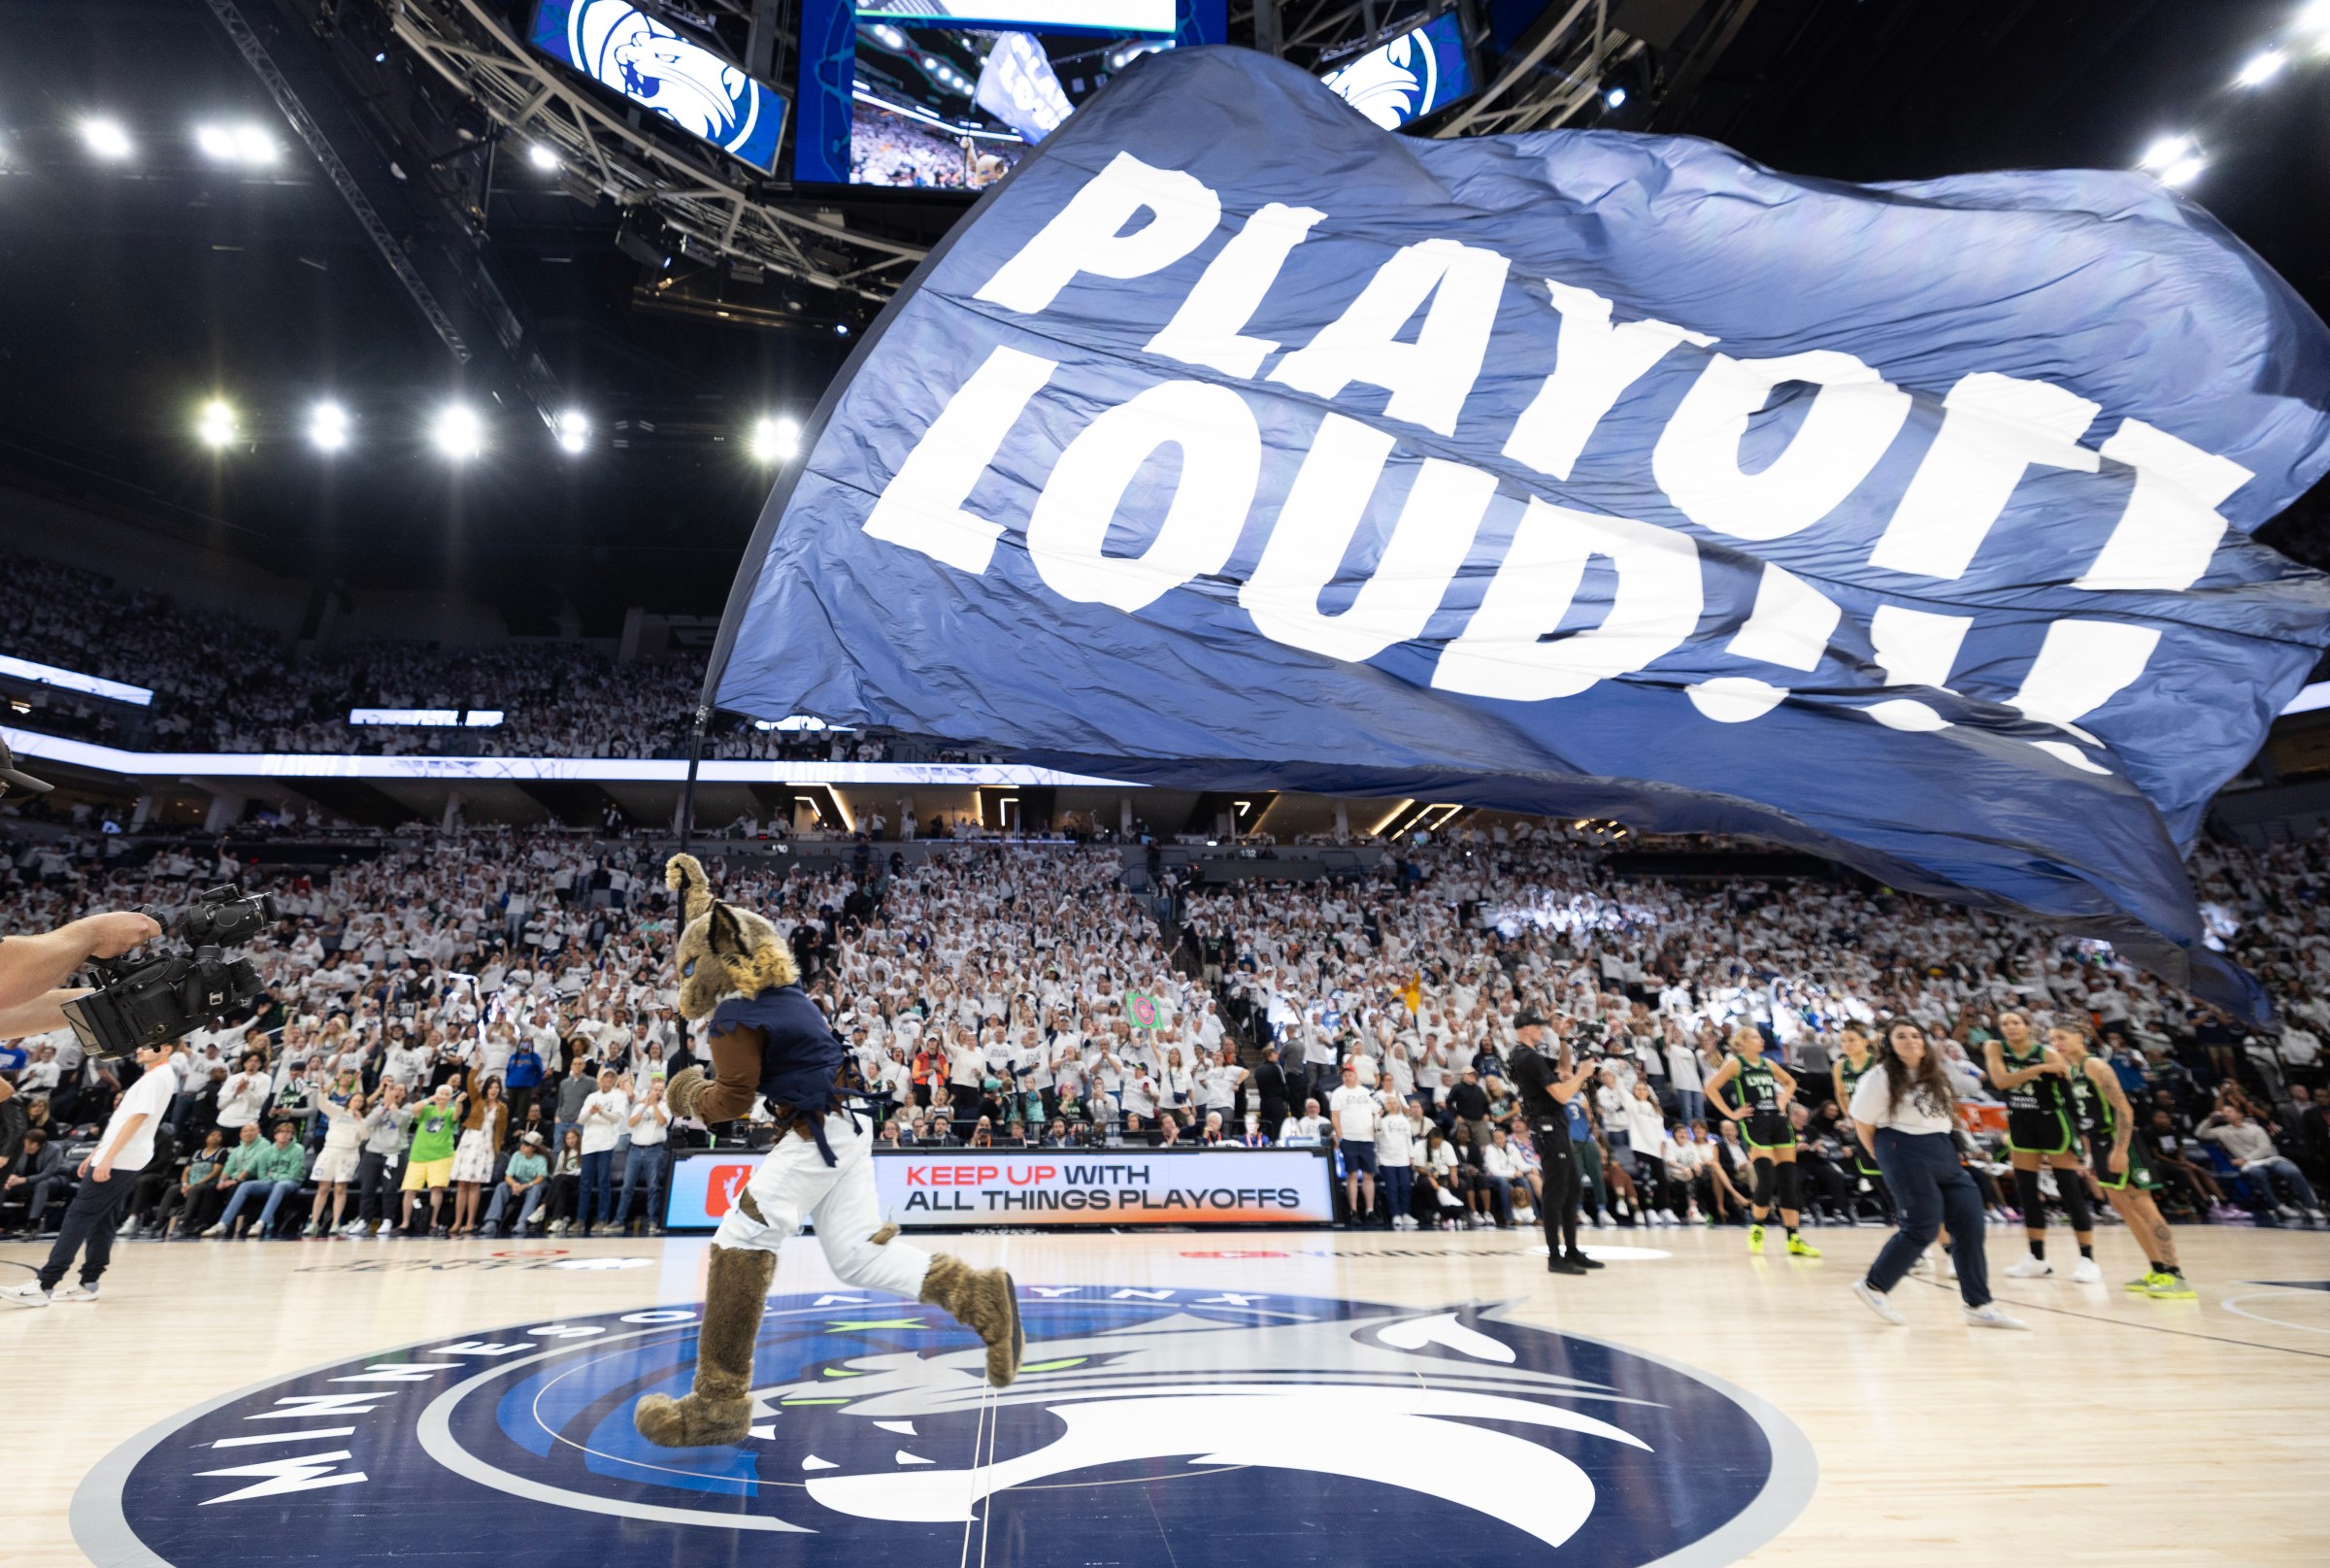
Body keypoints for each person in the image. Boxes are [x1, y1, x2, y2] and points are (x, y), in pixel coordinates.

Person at [633, 854, 1020, 1449]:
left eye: (690, 968)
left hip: (818, 1131)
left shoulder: (734, 1017)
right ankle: (980, 1294)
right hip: (847, 1123)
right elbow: (719, 926)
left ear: (721, 962)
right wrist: (696, 893)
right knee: (857, 1259)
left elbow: (733, 1101)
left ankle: (717, 1404)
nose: (686, 980)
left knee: (740, 1240)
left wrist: (686, 1093)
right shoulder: (786, 994)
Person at [1847, 1020, 2027, 1330]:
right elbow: (1862, 1122)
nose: (1911, 1040)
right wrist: (1884, 1156)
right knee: (1922, 1224)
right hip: (1901, 1146)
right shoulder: (1878, 1077)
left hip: (1941, 1148)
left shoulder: (1935, 1073)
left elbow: (1945, 1115)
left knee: (1970, 1219)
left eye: (1916, 1035)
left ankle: (1978, 1304)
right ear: (1890, 1044)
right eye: (1901, 1036)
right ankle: (1874, 1285)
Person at [2, 1035, 179, 1305]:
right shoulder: (155, 1077)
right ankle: (89, 1282)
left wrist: (107, 1158)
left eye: (148, 1045)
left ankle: (45, 1284)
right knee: (104, 1220)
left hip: (121, 1159)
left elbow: (137, 1120)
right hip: (122, 1157)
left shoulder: (158, 1077)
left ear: (166, 1049)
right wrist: (98, 1152)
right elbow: (123, 1121)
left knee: (78, 1216)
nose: (140, 1048)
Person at [2050, 1022, 2193, 1298]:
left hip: (2119, 1141)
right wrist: (2092, 1155)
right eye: (2053, 1039)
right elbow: (2085, 1116)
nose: (2057, 1043)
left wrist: (2120, 1149)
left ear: (2080, 1038)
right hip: (2101, 1144)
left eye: (2062, 1037)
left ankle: (2176, 1274)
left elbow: (2124, 1110)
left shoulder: (2096, 1067)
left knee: (2143, 1205)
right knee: (2120, 1205)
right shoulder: (2072, 1071)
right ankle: (2157, 1268)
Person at [1984, 1009, 2098, 1281]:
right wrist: (2038, 1070)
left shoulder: (2048, 1053)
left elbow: (2070, 1094)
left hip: (2053, 1122)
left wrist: (2083, 1135)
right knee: (2026, 1191)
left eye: (2015, 1022)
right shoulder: (1994, 1047)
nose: (2010, 1027)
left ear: (2028, 1026)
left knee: (2069, 1189)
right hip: (2021, 1121)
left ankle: (2088, 1260)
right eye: (2004, 1023)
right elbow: (2001, 1082)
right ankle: (2037, 1258)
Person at [1704, 1023, 1819, 1257]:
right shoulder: (1736, 1064)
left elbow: (1791, 1082)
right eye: (1756, 1037)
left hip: (1779, 1123)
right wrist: (1732, 1114)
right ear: (1743, 1042)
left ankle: (1794, 1238)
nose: (1761, 1041)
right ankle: (1757, 1228)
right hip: (1756, 1124)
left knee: (1788, 1181)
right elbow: (1711, 1087)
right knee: (1766, 1179)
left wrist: (1784, 1099)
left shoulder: (1768, 1064)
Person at [1509, 1011, 1601, 1274]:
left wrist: (1562, 1039)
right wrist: (1583, 1075)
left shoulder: (1531, 1056)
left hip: (1557, 1127)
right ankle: (1555, 1257)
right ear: (1525, 1028)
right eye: (1538, 1026)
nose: (1541, 1029)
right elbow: (1561, 1094)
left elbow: (1563, 1069)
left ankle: (1571, 1250)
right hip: (1547, 1127)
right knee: (1555, 1193)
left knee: (1572, 1189)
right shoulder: (1527, 1058)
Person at [1829, 1022, 1893, 1220]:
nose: (1846, 1044)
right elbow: (1841, 1093)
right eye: (1843, 1041)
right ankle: (1893, 1211)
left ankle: (1902, 1210)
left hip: (1882, 1123)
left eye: (1851, 1040)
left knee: (1889, 1168)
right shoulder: (1840, 1066)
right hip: (1861, 1124)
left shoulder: (1876, 1063)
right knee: (1871, 1169)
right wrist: (1850, 1115)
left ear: (1865, 1041)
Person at [206, 1120, 308, 1239]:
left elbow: (293, 1175)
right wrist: (272, 1177)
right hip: (270, 1182)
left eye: (288, 1132)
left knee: (280, 1185)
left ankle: (260, 1223)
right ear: (275, 1135)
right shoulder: (267, 1151)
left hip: (291, 1183)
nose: (284, 1134)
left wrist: (273, 1175)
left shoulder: (298, 1149)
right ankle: (222, 1224)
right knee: (245, 1185)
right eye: (281, 1132)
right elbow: (262, 1174)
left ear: (292, 1135)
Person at [399, 1082, 466, 1236]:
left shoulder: (449, 1111)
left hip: (441, 1156)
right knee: (410, 1189)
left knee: (436, 1189)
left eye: (446, 1094)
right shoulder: (427, 1109)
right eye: (440, 1093)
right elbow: (414, 1109)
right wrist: (430, 1099)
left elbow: (457, 1114)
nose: (443, 1096)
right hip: (418, 1155)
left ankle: (433, 1223)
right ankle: (405, 1223)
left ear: (450, 1098)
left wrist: (458, 1103)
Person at [450, 1071, 509, 1237]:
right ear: (486, 1088)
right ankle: (457, 1221)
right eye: (491, 1086)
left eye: (497, 1087)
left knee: (475, 1185)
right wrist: (476, 1067)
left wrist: (496, 1150)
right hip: (469, 1142)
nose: (494, 1090)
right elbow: (469, 1081)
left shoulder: (502, 1108)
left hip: (485, 1146)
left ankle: (470, 1222)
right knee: (462, 1184)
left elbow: (500, 1131)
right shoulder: (478, 1100)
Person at [303, 1090, 366, 1236]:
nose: (357, 1103)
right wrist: (328, 1085)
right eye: (355, 1100)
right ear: (349, 1101)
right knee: (323, 1188)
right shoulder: (337, 1111)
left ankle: (336, 1223)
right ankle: (313, 1223)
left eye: (360, 1102)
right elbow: (321, 1102)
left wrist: (360, 1121)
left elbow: (365, 1135)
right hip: (330, 1151)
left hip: (348, 1154)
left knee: (340, 1189)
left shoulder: (363, 1118)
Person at [1327, 1060, 1381, 1226]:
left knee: (1368, 1174)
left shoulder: (1367, 1092)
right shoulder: (1338, 1093)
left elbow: (1379, 1109)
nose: (1347, 1077)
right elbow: (1334, 1116)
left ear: (1355, 1075)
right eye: (1344, 1075)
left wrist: (1375, 1128)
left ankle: (1370, 1210)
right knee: (1352, 1174)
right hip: (1349, 1138)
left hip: (1367, 1139)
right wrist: (1340, 1135)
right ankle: (1353, 1211)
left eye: (1349, 1075)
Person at [616, 1077, 673, 1235]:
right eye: (655, 1089)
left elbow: (663, 1122)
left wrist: (654, 1105)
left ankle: (653, 1220)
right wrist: (645, 1106)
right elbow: (631, 1123)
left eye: (661, 1090)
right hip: (635, 1149)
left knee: (653, 1187)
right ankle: (619, 1220)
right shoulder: (639, 1105)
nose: (657, 1092)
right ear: (650, 1090)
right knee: (627, 1186)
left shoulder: (665, 1107)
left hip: (654, 1150)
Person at [577, 1067, 628, 1236]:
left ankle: (602, 1218)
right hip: (589, 1144)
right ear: (601, 1079)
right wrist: (591, 1112)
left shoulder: (618, 1096)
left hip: (606, 1143)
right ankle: (580, 1219)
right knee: (585, 1183)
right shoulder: (592, 1097)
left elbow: (617, 1118)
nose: (609, 1079)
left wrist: (602, 1112)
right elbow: (580, 1120)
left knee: (603, 1182)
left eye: (612, 1077)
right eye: (606, 1076)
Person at [483, 1130, 551, 1235]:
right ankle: (491, 1222)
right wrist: (514, 1185)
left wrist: (526, 1186)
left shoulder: (540, 1159)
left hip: (532, 1184)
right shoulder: (516, 1155)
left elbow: (540, 1178)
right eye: (523, 1143)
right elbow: (508, 1176)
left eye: (526, 1145)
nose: (522, 1146)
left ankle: (522, 1222)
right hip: (518, 1183)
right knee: (501, 1187)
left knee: (535, 1190)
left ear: (533, 1148)